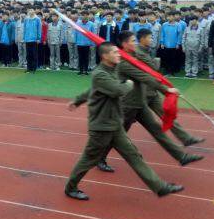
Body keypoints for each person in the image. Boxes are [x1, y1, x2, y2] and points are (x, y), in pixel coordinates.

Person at [64, 41, 183, 201]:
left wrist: (77, 100)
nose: (119, 54)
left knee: (134, 155)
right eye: (114, 52)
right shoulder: (100, 74)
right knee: (88, 159)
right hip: (102, 126)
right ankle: (70, 187)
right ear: (105, 56)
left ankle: (160, 187)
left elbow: (91, 90)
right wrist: (128, 84)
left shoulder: (112, 70)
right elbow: (118, 90)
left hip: (115, 124)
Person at [95, 31, 203, 172]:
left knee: (157, 130)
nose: (135, 43)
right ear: (124, 44)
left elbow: (149, 70)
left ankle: (181, 156)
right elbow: (144, 77)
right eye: (133, 41)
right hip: (127, 105)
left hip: (140, 103)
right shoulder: (123, 61)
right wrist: (166, 90)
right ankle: (100, 157)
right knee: (117, 136)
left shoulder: (134, 56)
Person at [133, 29, 204, 146]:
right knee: (124, 121)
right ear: (142, 39)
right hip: (141, 93)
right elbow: (152, 69)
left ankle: (185, 138)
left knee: (166, 116)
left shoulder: (146, 51)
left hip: (152, 91)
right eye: (150, 37)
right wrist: (156, 62)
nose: (152, 40)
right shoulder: (139, 53)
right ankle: (108, 143)